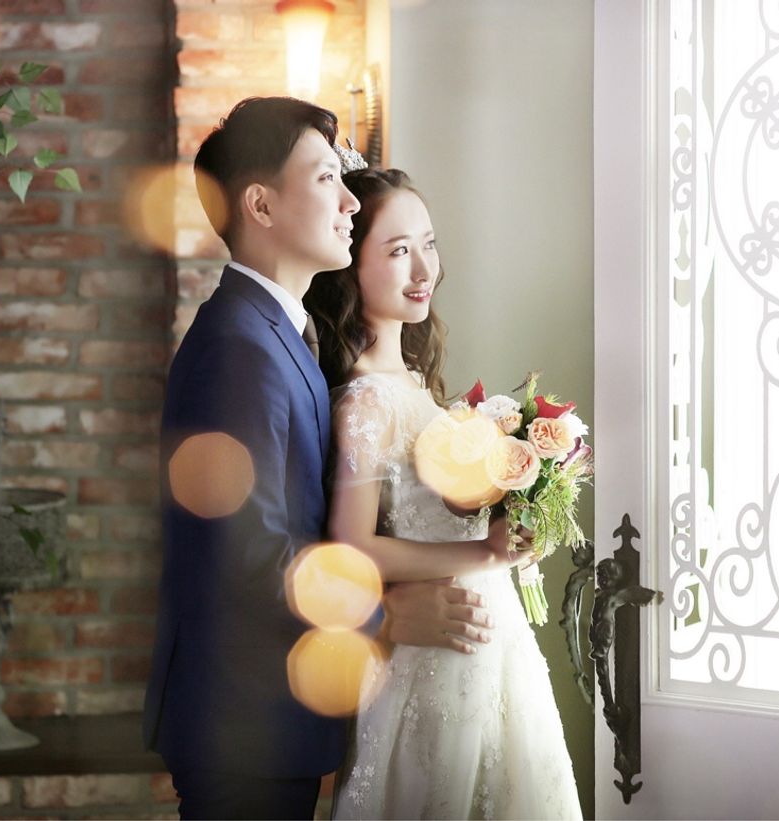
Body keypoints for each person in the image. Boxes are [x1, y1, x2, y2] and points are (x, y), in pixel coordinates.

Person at [143, 98, 496, 820]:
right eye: (327, 179)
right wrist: (387, 619)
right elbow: (244, 555)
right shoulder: (236, 348)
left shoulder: (277, 332)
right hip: (241, 722)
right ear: (261, 205)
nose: (349, 204)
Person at [304, 167, 583, 820]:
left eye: (428, 244)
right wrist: (484, 554)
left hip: (490, 647)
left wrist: (513, 511)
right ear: (350, 267)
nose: (423, 268)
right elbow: (351, 547)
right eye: (398, 250)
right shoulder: (367, 402)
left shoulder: (412, 380)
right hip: (431, 660)